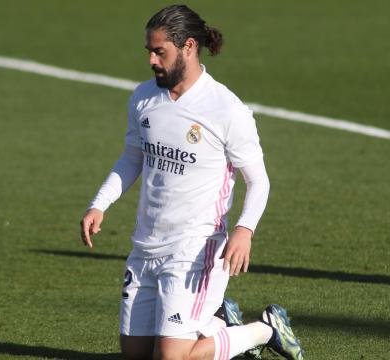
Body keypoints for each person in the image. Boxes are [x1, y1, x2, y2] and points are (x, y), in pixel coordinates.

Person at [80, 5, 304, 360]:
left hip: (195, 250)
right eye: (149, 51)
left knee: (172, 358)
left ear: (187, 47)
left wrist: (244, 230)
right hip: (145, 248)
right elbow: (132, 158)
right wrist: (99, 203)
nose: (152, 60)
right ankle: (217, 325)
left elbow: (258, 181)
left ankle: (264, 329)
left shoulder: (226, 110)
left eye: (160, 52)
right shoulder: (143, 98)